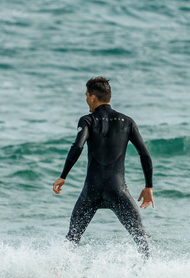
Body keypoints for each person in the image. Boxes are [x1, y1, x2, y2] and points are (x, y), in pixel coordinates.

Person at [52, 76, 154, 257]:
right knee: (141, 238)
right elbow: (144, 154)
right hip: (118, 190)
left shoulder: (87, 121)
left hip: (91, 191)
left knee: (73, 238)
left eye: (86, 96)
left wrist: (63, 176)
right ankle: (149, 276)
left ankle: (58, 273)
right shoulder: (128, 122)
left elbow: (77, 146)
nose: (85, 100)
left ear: (93, 97)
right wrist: (148, 186)